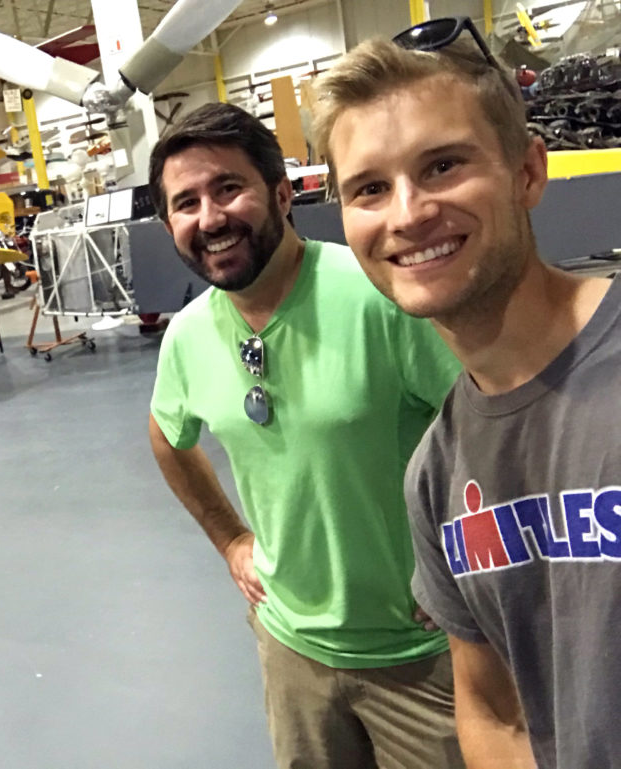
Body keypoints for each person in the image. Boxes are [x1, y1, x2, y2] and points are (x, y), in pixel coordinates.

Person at [312, 17, 619, 769]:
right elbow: (492, 710)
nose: (409, 213)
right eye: (370, 189)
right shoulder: (436, 476)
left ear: (528, 173)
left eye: (444, 166)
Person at [147, 102, 464, 769]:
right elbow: (167, 435)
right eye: (185, 203)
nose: (210, 218)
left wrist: (463, 565)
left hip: (422, 655)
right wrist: (229, 537)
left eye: (228, 188)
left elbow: (489, 417)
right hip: (291, 648)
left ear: (283, 194)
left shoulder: (381, 295)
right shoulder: (188, 334)